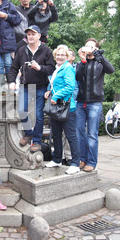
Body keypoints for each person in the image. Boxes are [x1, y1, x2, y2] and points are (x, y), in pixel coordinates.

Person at [8, 25, 55, 152]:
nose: (30, 37)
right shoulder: (22, 50)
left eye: (33, 34)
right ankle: (28, 133)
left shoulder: (46, 50)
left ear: (39, 36)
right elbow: (13, 68)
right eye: (28, 34)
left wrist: (39, 68)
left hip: (40, 87)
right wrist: (12, 81)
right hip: (26, 86)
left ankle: (37, 141)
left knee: (39, 116)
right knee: (22, 111)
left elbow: (51, 68)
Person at [76, 38, 115, 172]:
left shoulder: (100, 62)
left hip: (95, 101)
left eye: (91, 47)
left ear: (96, 48)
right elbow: (78, 77)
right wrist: (82, 60)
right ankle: (82, 159)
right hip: (81, 101)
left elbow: (111, 70)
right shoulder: (81, 62)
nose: (88, 48)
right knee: (79, 131)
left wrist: (100, 56)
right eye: (86, 46)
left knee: (92, 134)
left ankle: (91, 162)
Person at [45, 46, 80, 175]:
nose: (60, 57)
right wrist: (49, 91)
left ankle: (75, 163)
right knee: (56, 135)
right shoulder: (57, 68)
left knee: (71, 136)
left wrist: (56, 96)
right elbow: (54, 84)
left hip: (67, 107)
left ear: (67, 57)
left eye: (62, 55)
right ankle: (57, 159)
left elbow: (70, 86)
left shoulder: (68, 68)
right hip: (57, 107)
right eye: (58, 55)